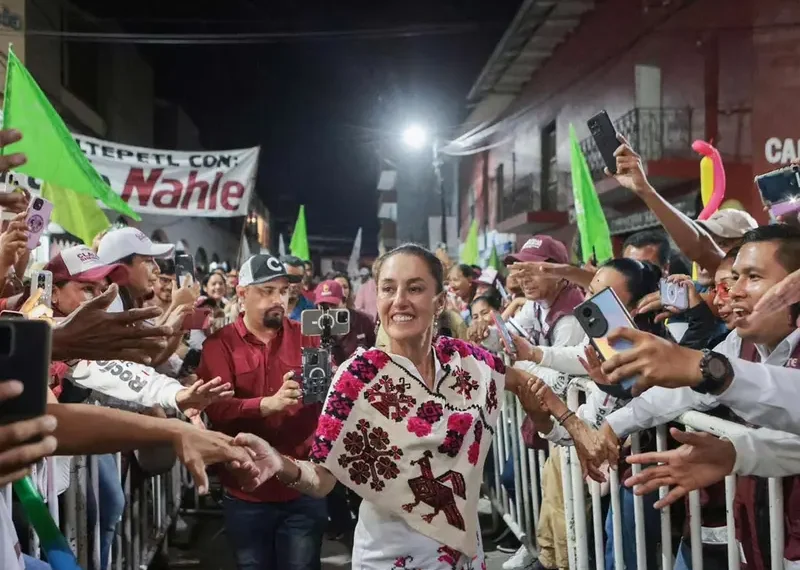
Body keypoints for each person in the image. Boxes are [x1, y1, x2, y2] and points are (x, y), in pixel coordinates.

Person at [227, 243, 540, 570]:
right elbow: (322, 478)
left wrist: (565, 425)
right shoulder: (358, 377)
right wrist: (280, 463)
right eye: (388, 289)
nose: (400, 300)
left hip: (463, 554)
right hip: (388, 558)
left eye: (415, 288)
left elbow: (519, 380)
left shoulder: (463, 363)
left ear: (440, 301)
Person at [586, 224, 800, 569]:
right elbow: (687, 390)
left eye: (753, 277)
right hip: (760, 536)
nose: (734, 293)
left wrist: (709, 373)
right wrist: (614, 424)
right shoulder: (738, 342)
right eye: (732, 280)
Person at [197, 254, 327, 570]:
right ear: (242, 294)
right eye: (267, 291)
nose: (278, 299)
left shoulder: (308, 336)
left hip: (302, 486)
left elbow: (322, 401)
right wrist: (267, 404)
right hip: (247, 491)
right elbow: (217, 409)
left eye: (282, 291)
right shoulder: (219, 345)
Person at [315, 279, 376, 369]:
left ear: (344, 301)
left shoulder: (363, 321)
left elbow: (374, 351)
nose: (329, 311)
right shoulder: (313, 328)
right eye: (324, 307)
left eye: (333, 305)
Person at [284, 255, 315, 322]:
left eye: (298, 279)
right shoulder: (267, 308)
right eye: (289, 278)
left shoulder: (312, 310)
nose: (294, 284)